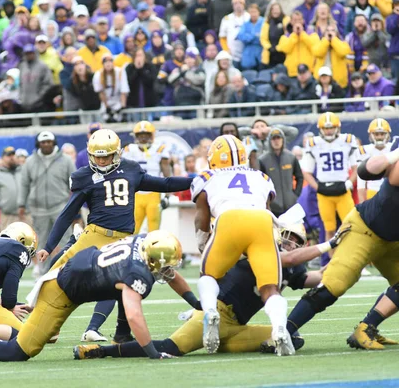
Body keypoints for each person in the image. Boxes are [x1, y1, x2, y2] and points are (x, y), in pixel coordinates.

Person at [74, 223, 349, 359]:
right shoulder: (258, 250)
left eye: (297, 243)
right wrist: (329, 244)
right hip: (216, 312)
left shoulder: (290, 269)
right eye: (289, 239)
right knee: (171, 348)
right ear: (278, 236)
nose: (292, 246)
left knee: (291, 337)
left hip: (236, 326)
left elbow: (320, 277)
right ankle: (101, 351)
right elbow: (286, 259)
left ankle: (216, 344)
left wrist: (347, 258)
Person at [0, 231, 184, 364]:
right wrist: (152, 353)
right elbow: (134, 311)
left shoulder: (140, 243)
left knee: (29, 341)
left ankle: (111, 340)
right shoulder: (139, 261)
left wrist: (200, 304)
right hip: (60, 291)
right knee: (19, 348)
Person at [35, 129, 193, 342]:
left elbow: (164, 184)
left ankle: (117, 332)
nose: (101, 160)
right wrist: (48, 245)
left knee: (120, 282)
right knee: (55, 274)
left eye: (105, 156)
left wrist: (195, 180)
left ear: (116, 153)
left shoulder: (131, 169)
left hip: (123, 239)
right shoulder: (83, 176)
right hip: (96, 234)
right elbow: (68, 213)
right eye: (97, 156)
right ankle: (45, 326)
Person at [286, 136, 399, 350]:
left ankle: (367, 327)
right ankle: (285, 330)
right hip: (365, 229)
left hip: (393, 240)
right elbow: (367, 171)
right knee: (334, 284)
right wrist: (394, 154)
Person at [193, 135, 294, 356]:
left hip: (229, 220)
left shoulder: (206, 178)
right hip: (261, 221)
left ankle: (210, 312)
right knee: (270, 288)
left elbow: (201, 219)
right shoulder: (261, 176)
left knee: (208, 275)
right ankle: (279, 328)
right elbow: (267, 208)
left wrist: (203, 244)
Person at [18, 131, 75, 275]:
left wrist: (75, 205)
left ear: (54, 142)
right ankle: (43, 273)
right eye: (43, 142)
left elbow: (75, 183)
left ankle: (68, 269)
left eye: (49, 141)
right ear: (38, 144)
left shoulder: (66, 160)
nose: (46, 144)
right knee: (41, 242)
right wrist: (21, 204)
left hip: (60, 206)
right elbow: (24, 184)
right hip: (38, 209)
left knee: (65, 240)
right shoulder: (30, 161)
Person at [300, 112, 358, 254]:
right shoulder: (313, 143)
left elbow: (356, 167)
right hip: (324, 193)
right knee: (329, 229)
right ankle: (332, 264)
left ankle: (352, 258)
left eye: (331, 127)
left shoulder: (348, 140)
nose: (329, 131)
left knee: (352, 227)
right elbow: (306, 171)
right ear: (320, 129)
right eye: (326, 128)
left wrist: (349, 183)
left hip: (343, 190)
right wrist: (318, 187)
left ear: (338, 127)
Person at [123, 121, 172, 234]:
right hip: (135, 193)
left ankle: (152, 250)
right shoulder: (129, 150)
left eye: (146, 135)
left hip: (154, 194)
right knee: (132, 229)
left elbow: (166, 172)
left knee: (154, 229)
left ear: (152, 135)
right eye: (140, 135)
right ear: (135, 136)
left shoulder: (159, 149)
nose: (143, 138)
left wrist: (168, 195)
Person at [258, 128, 303, 217]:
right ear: (269, 141)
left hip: (290, 204)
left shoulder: (291, 157)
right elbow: (260, 182)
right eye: (273, 139)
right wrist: (267, 199)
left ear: (283, 140)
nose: (276, 141)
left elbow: (299, 177)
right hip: (273, 205)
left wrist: (295, 194)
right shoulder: (263, 160)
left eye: (278, 138)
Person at [357, 119, 393, 203]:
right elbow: (361, 180)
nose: (380, 137)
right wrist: (362, 201)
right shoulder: (364, 151)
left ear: (387, 134)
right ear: (371, 135)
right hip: (372, 191)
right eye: (376, 134)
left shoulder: (394, 148)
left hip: (392, 191)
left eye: (382, 134)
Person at [0, 147, 24, 231]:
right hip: (8, 215)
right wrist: (3, 206)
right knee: (8, 241)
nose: (11, 157)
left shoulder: (24, 170)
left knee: (30, 241)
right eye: (8, 155)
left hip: (25, 215)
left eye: (13, 155)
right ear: (2, 158)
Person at [276, 11, 318, 78]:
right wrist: (294, 35)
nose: (297, 22)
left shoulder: (311, 34)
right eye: (295, 20)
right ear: (291, 21)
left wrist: (302, 34)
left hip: (308, 71)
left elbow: (315, 47)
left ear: (303, 21)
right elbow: (286, 49)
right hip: (292, 72)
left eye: (299, 20)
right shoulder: (285, 36)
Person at [93, 53, 129, 123]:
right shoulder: (98, 75)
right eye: (105, 62)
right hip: (106, 104)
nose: (108, 64)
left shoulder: (120, 72)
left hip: (118, 102)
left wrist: (123, 107)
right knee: (107, 120)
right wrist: (107, 107)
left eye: (110, 61)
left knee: (120, 120)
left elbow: (124, 90)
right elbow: (101, 92)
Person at [19, 44, 54, 113]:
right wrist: (21, 97)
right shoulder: (22, 66)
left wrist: (39, 96)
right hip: (24, 104)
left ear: (35, 53)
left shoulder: (42, 66)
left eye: (30, 53)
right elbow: (20, 84)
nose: (28, 55)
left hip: (39, 104)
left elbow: (48, 84)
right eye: (26, 53)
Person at [218, 0, 250, 68]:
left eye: (240, 3)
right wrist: (226, 50)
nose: (238, 5)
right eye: (235, 3)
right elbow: (222, 37)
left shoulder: (249, 17)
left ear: (244, 5)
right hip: (232, 54)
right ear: (232, 6)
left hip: (246, 54)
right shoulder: (227, 19)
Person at [260, 2, 289, 68]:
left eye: (277, 9)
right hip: (270, 53)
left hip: (282, 52)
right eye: (273, 9)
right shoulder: (267, 22)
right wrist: (269, 47)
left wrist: (279, 48)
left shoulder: (286, 20)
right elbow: (263, 38)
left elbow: (287, 36)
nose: (275, 11)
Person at [237, 4, 264, 70]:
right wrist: (255, 35)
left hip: (261, 52)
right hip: (248, 53)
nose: (253, 14)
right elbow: (241, 36)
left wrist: (249, 36)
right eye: (251, 12)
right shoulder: (245, 24)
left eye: (255, 12)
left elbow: (264, 37)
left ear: (259, 12)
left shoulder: (264, 22)